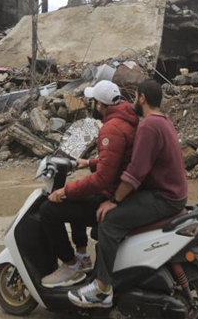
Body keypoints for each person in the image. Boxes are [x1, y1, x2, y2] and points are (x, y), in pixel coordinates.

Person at [69, 80, 189, 308]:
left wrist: (114, 201)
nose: (132, 101)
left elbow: (135, 172)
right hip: (173, 193)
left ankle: (103, 288)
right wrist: (92, 162)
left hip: (164, 197)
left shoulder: (147, 126)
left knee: (109, 220)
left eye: (134, 97)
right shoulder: (162, 121)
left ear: (142, 98)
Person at [39, 80, 138, 288]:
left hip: (112, 195)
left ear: (100, 105)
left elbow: (102, 179)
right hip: (119, 190)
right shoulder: (126, 119)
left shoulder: (111, 129)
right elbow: (116, 160)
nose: (90, 105)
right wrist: (89, 162)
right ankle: (82, 256)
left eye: (92, 101)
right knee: (79, 193)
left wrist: (64, 191)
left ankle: (70, 265)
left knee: (49, 209)